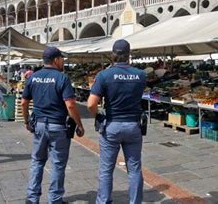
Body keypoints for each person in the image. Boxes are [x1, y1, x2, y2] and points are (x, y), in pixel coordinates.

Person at [22, 46, 85, 204]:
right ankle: (55, 200)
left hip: (39, 125)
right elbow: (70, 105)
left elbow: (24, 102)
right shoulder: (62, 78)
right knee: (57, 164)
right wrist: (79, 124)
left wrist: (26, 121)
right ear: (56, 60)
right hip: (58, 126)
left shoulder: (33, 77)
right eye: (62, 58)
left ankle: (32, 198)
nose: (63, 61)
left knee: (37, 161)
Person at [87, 39, 147, 204]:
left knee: (106, 169)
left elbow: (91, 103)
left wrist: (98, 116)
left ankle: (104, 201)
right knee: (134, 169)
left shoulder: (104, 75)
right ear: (129, 54)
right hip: (133, 125)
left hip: (112, 124)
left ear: (113, 54)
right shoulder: (141, 75)